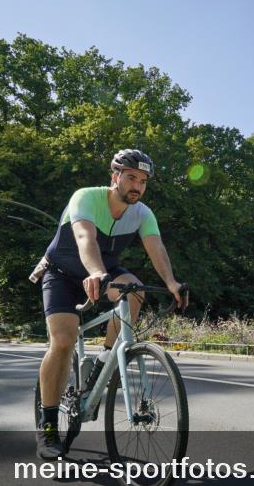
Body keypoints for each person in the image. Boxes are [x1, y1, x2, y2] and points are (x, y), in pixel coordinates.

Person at [34, 149, 187, 460]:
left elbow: (156, 248)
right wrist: (94, 272)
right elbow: (84, 238)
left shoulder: (143, 213)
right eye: (131, 178)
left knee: (135, 291)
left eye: (143, 181)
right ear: (114, 176)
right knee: (63, 341)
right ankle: (48, 427)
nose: (137, 186)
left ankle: (104, 362)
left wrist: (172, 283)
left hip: (103, 272)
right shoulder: (86, 198)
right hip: (64, 272)